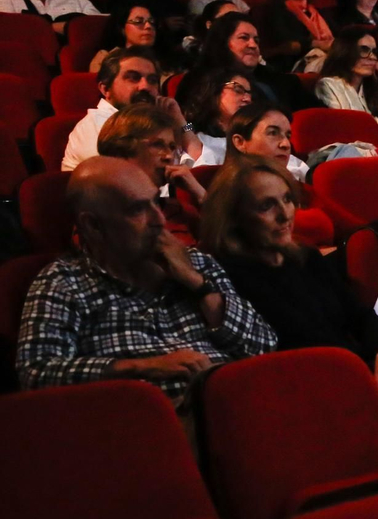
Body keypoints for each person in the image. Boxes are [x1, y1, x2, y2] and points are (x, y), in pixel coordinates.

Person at [16, 156, 276, 400]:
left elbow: (264, 348)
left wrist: (196, 284)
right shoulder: (64, 282)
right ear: (93, 225)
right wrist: (140, 368)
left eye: (157, 202)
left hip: (234, 407)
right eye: (137, 210)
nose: (159, 220)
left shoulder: (197, 263)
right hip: (143, 427)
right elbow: (36, 373)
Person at [198, 155, 378, 364]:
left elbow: (360, 316)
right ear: (233, 217)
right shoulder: (230, 278)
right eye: (266, 206)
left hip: (359, 368)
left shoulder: (306, 257)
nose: (285, 214)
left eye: (287, 199)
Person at [64, 48, 202, 172]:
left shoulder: (158, 121)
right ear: (105, 89)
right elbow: (131, 181)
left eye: (152, 80)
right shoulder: (97, 126)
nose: (145, 86)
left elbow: (203, 162)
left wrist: (181, 122)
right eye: (133, 78)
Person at [96, 103, 207, 244]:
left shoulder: (181, 211)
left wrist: (201, 195)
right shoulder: (101, 215)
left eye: (172, 148)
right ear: (121, 150)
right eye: (157, 145)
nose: (168, 156)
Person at [194, 12, 303, 108]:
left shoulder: (280, 81)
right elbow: (186, 125)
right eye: (244, 38)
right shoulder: (200, 82)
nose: (253, 45)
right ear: (223, 43)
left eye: (256, 40)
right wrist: (187, 130)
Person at [313, 28, 378, 128]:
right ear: (345, 52)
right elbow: (346, 128)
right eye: (364, 50)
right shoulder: (328, 85)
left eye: (374, 51)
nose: (372, 57)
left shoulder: (373, 92)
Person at [257, 0, 333, 68]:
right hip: (292, 62)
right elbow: (289, 43)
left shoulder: (313, 11)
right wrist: (316, 43)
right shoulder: (275, 11)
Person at [219, 103, 309, 181]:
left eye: (288, 136)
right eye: (273, 133)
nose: (286, 144)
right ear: (240, 142)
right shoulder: (229, 195)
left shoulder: (302, 191)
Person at [88, 1, 161, 76]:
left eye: (152, 21)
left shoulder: (165, 58)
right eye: (138, 21)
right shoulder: (106, 58)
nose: (148, 26)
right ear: (122, 29)